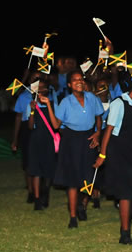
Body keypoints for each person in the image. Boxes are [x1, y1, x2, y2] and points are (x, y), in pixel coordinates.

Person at [93, 71, 132, 244]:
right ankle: (124, 231)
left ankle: (127, 218)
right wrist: (102, 155)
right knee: (125, 192)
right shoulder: (119, 103)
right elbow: (108, 130)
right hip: (117, 148)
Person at [41, 71, 104, 228]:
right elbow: (56, 125)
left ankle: (82, 204)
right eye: (75, 80)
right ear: (69, 85)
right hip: (71, 140)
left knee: (88, 177)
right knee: (73, 180)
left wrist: (97, 133)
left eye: (81, 79)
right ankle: (73, 216)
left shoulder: (92, 98)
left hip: (89, 139)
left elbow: (99, 116)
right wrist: (48, 104)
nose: (79, 82)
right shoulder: (66, 102)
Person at [26, 82, 59, 210]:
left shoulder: (53, 105)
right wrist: (33, 111)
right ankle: (37, 199)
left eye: (43, 88)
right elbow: (30, 126)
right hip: (36, 140)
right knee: (36, 170)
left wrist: (48, 105)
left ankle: (45, 192)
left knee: (49, 169)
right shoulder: (32, 105)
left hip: (49, 139)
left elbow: (54, 123)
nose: (40, 90)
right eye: (38, 88)